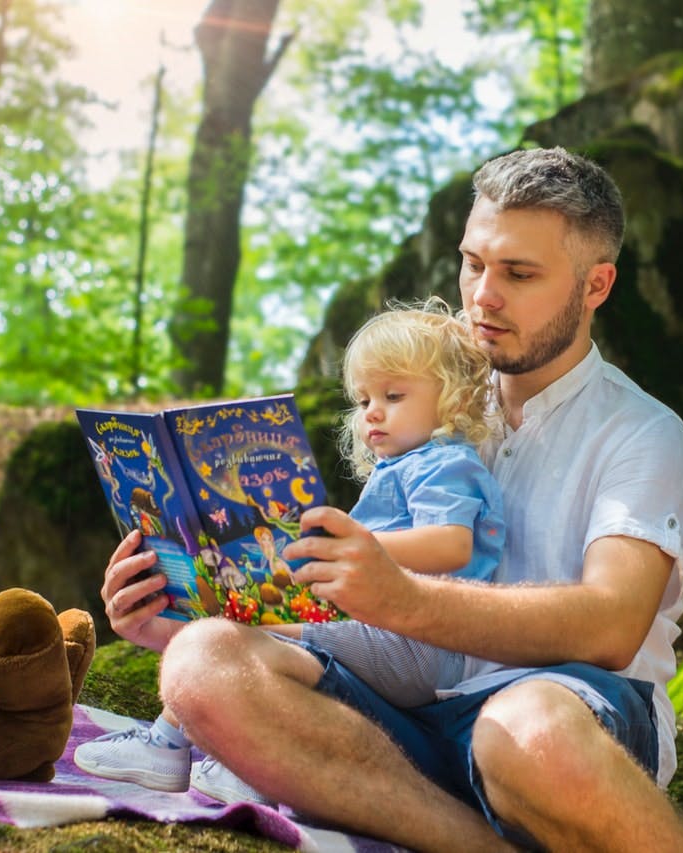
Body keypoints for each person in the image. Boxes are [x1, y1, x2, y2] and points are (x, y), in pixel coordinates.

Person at [102, 147, 683, 851]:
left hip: (564, 717)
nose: (483, 294)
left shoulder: (642, 434)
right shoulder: (427, 399)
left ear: (595, 284)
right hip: (403, 713)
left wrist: (399, 596)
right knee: (201, 661)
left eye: (518, 273)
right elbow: (356, 606)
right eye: (474, 262)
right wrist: (179, 607)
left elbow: (611, 623)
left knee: (527, 729)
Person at [75, 302, 505, 796]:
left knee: (250, 634)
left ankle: (185, 750)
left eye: (393, 394)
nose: (373, 413)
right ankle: (207, 753)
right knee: (236, 627)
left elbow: (452, 544)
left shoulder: (446, 463)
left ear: (456, 398)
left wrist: (352, 546)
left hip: (418, 644)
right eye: (363, 400)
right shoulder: (407, 466)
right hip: (385, 632)